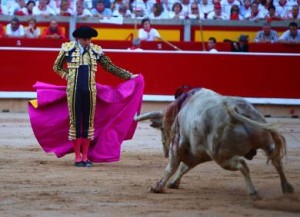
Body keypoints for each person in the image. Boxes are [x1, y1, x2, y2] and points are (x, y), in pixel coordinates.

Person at [53, 26, 139, 167]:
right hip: (73, 91)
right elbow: (56, 66)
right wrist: (68, 76)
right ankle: (77, 157)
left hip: (90, 91)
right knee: (75, 122)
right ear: (77, 39)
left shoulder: (95, 51)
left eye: (89, 39)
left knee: (88, 123)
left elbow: (110, 67)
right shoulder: (67, 49)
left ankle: (85, 156)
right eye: (84, 39)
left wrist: (128, 76)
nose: (87, 41)